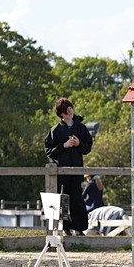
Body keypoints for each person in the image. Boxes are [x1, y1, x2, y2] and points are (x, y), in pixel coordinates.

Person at [44, 97, 93, 235]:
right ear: (61, 114)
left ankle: (79, 228)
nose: (70, 112)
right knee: (63, 199)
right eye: (66, 111)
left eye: (70, 109)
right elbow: (49, 151)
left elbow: (87, 148)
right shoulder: (55, 130)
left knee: (77, 199)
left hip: (77, 170)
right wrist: (64, 146)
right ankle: (65, 228)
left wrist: (78, 144)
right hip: (62, 171)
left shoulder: (81, 128)